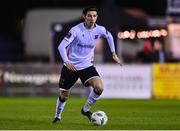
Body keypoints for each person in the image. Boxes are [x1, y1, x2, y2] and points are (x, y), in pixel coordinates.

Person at [52, 6, 123, 123]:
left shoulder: (99, 29)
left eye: (94, 16)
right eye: (89, 15)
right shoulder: (76, 30)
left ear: (97, 17)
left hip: (87, 66)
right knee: (64, 96)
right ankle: (58, 116)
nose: (92, 18)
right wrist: (66, 61)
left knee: (99, 87)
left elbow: (109, 35)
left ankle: (85, 110)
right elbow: (61, 46)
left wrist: (113, 53)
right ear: (84, 16)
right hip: (71, 67)